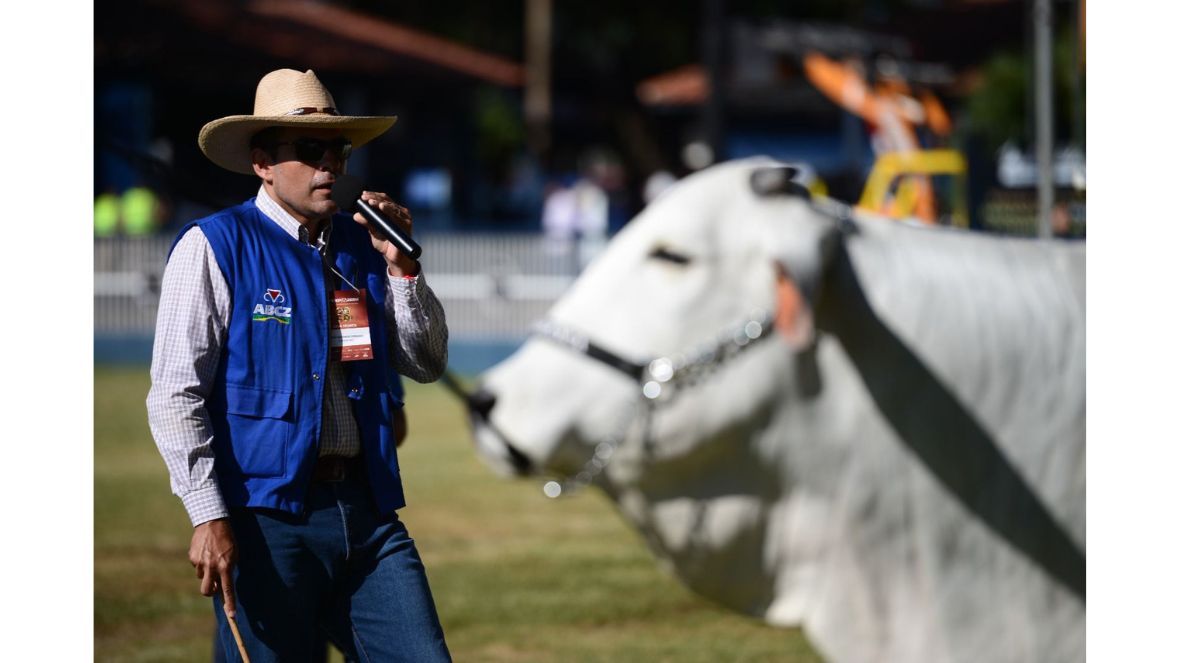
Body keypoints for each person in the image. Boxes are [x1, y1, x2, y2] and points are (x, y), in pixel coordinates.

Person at [147, 68, 451, 662]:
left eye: (338, 150)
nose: (329, 166)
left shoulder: (366, 246)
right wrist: (208, 514)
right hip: (265, 523)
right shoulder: (213, 245)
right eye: (310, 150)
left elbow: (427, 362)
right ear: (261, 161)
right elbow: (175, 394)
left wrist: (403, 270)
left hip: (368, 515)